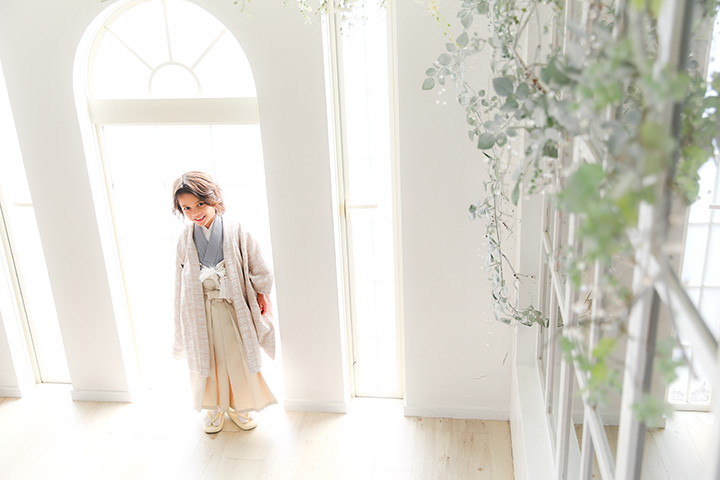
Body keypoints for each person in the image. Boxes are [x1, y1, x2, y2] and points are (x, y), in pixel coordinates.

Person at [171, 171, 277, 433]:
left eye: (200, 204)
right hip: (202, 309)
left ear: (214, 199)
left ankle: (240, 406)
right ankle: (214, 407)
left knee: (236, 357)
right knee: (209, 359)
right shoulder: (185, 239)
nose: (195, 212)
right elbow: (180, 281)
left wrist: (262, 293)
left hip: (231, 307)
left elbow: (256, 263)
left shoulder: (236, 230)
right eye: (187, 208)